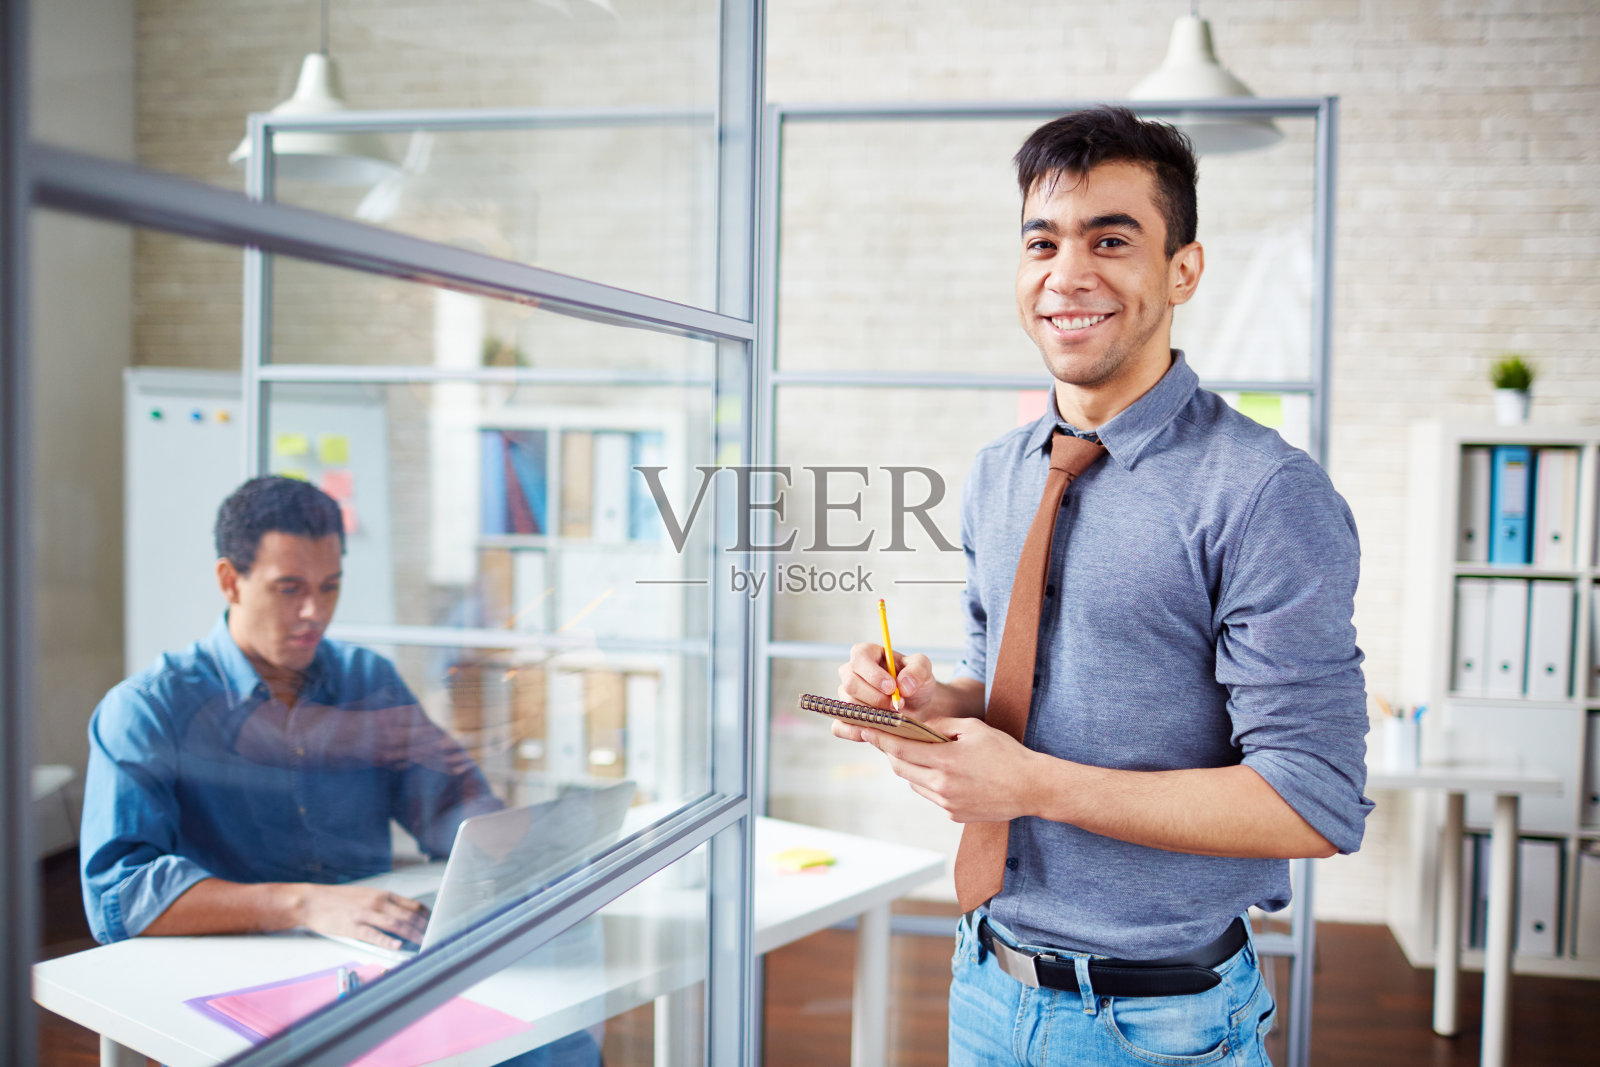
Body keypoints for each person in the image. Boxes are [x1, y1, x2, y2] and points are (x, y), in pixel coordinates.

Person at [833, 106, 1371, 1066]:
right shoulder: (1002, 470)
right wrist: (924, 695)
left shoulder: (1264, 493)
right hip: (985, 983)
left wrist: (1033, 786)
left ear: (1184, 271)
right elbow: (1017, 688)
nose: (1066, 273)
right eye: (1042, 241)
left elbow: (1313, 799)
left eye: (1110, 240)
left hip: (1162, 1023)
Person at [81, 475, 602, 1064]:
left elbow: (450, 809)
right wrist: (305, 904)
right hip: (242, 980)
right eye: (289, 589)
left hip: (373, 958)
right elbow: (118, 898)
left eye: (330, 588)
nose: (314, 612)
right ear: (230, 580)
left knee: (555, 1044)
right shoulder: (147, 708)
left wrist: (511, 839)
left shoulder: (367, 679)